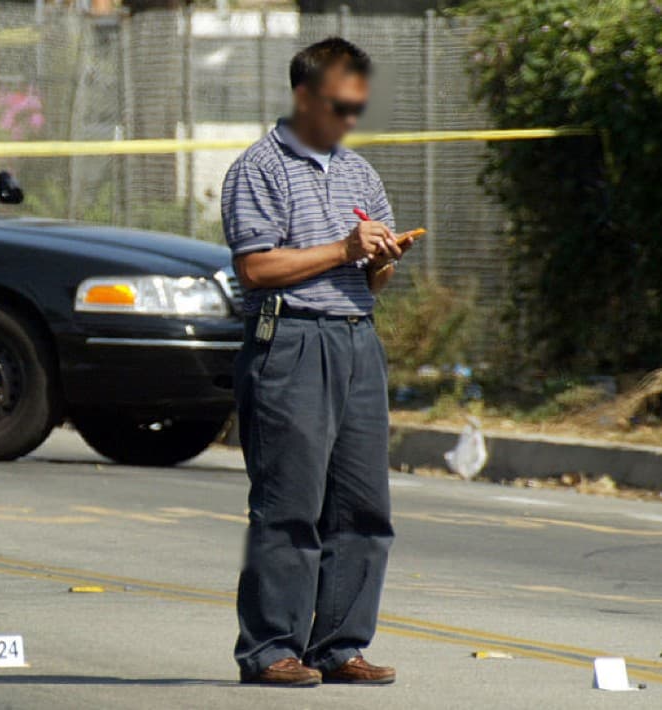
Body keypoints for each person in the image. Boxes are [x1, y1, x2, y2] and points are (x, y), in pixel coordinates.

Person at [221, 37, 411, 687]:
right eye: (340, 104)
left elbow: (371, 279)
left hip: (356, 339)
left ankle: (339, 645)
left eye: (358, 105)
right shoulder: (259, 168)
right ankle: (271, 646)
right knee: (288, 502)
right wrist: (341, 248)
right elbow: (255, 266)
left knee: (362, 505)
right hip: (292, 340)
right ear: (305, 97)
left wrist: (382, 258)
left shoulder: (359, 173)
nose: (350, 117)